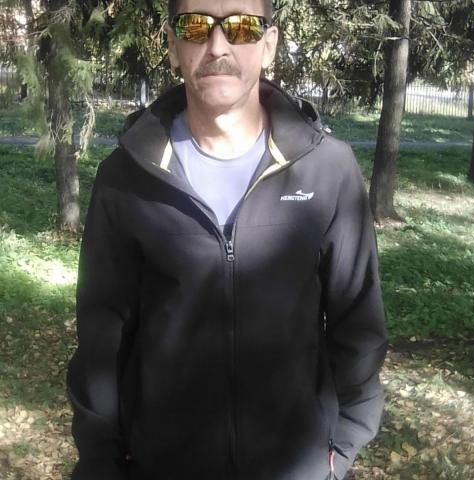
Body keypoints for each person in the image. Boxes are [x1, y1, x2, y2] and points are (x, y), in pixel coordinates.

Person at [66, 0, 388, 479]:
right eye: (196, 26)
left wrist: (337, 454)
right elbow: (100, 337)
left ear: (269, 45)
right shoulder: (126, 177)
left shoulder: (328, 170)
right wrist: (100, 463)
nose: (217, 45)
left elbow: (357, 323)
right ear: (173, 46)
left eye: (242, 27)